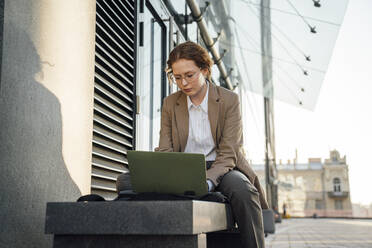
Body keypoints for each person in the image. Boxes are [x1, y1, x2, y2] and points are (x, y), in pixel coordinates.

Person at [157, 41, 268, 248]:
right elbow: (165, 149)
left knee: (244, 191)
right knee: (128, 183)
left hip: (223, 167)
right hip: (183, 169)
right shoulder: (170, 103)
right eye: (177, 77)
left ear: (205, 70)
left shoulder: (229, 100)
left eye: (189, 75)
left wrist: (207, 182)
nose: (183, 83)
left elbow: (229, 152)